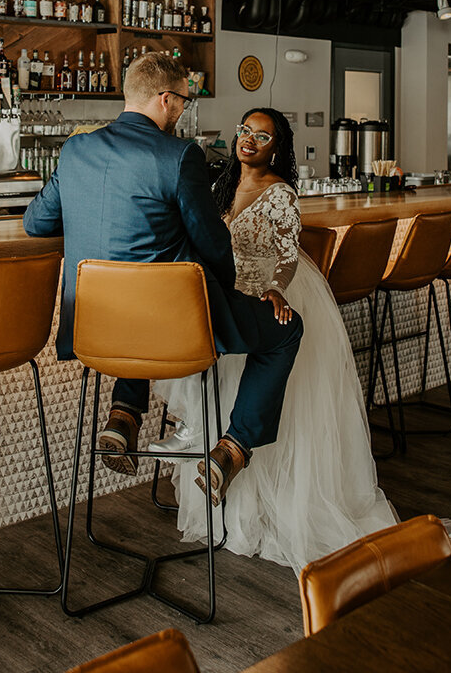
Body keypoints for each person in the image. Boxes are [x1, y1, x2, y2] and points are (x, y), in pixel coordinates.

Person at [23, 54, 303, 505]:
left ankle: (123, 416)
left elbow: (36, 224)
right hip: (170, 329)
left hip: (94, 328)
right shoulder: (179, 156)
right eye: (184, 104)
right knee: (288, 331)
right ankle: (231, 449)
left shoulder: (76, 149)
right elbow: (213, 243)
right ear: (166, 100)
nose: (183, 113)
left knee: (143, 306)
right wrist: (228, 288)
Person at [152, 107, 397, 575]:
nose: (248, 140)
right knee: (221, 385)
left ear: (276, 149)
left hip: (268, 294)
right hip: (225, 294)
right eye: (244, 130)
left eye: (261, 137)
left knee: (288, 403)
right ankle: (227, 492)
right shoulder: (220, 181)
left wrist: (278, 289)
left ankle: (268, 502)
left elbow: (287, 255)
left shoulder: (281, 193)